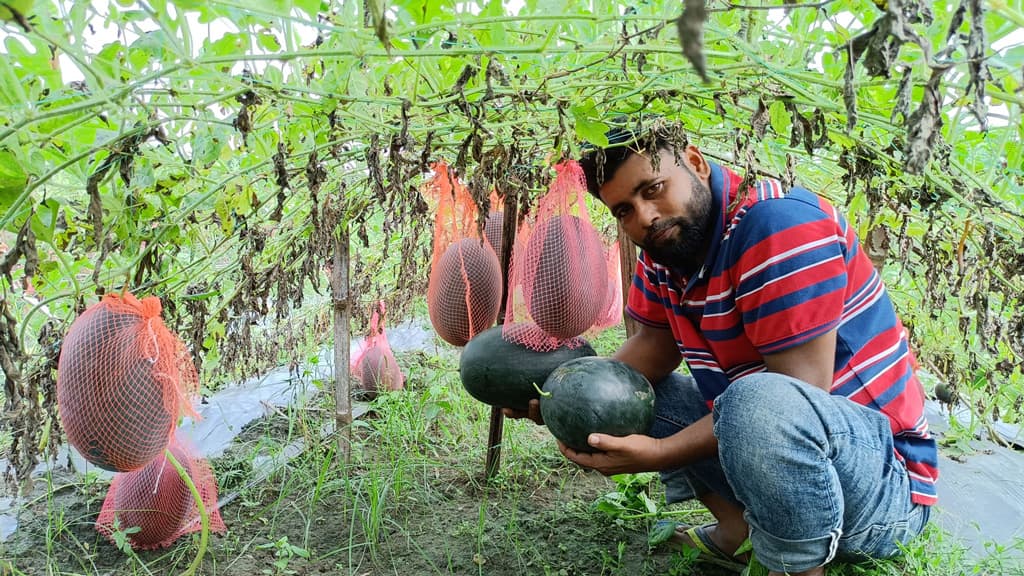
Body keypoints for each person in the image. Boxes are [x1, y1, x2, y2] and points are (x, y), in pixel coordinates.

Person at [504, 123, 938, 576]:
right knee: (637, 392)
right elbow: (653, 347)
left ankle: (796, 569)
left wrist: (661, 452)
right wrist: (557, 394)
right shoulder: (668, 249)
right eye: (624, 210)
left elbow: (794, 392)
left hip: (881, 488)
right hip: (785, 442)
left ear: (693, 161)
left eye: (653, 189)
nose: (645, 217)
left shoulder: (776, 225)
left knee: (759, 400)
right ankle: (738, 531)